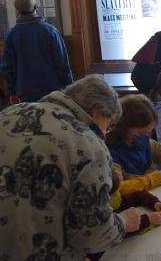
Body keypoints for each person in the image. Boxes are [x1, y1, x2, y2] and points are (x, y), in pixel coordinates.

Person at [0, 74, 142, 260]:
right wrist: (124, 222)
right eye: (109, 126)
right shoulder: (87, 141)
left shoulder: (9, 113)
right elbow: (92, 235)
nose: (106, 135)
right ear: (98, 112)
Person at [106, 94, 161, 196]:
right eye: (141, 133)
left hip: (157, 197)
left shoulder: (145, 143)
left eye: (149, 132)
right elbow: (118, 189)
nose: (146, 137)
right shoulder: (112, 157)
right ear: (123, 128)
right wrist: (152, 180)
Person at [1, 0, 73, 104]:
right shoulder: (50, 31)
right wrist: (69, 88)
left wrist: (12, 92)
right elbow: (62, 64)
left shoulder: (11, 35)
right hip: (52, 89)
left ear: (17, 10)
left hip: (24, 91)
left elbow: (7, 67)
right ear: (36, 7)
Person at [87, 169, 161, 261]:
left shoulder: (112, 203)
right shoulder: (96, 224)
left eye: (118, 191)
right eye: (114, 194)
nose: (118, 195)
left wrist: (155, 203)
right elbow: (118, 231)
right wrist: (147, 219)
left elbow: (139, 196)